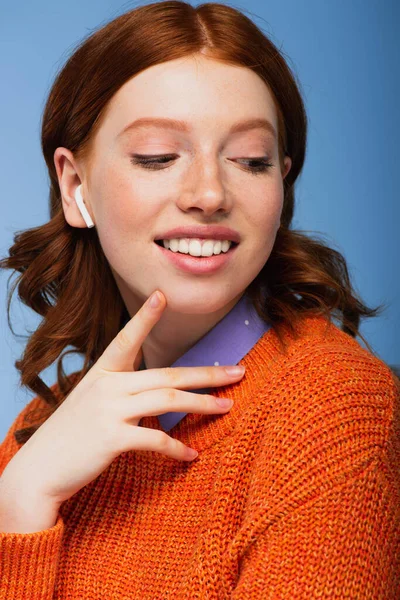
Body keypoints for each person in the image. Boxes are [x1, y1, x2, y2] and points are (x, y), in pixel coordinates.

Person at [0, 1, 399, 598]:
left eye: (250, 161)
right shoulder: (43, 430)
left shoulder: (334, 408)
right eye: (158, 156)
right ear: (75, 185)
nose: (210, 193)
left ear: (280, 187)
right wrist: (22, 504)